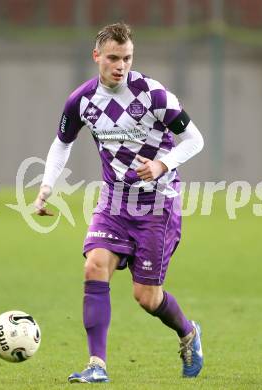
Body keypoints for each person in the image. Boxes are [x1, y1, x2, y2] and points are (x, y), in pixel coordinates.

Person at [34, 22, 204, 383]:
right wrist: (47, 187)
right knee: (94, 266)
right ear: (96, 56)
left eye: (126, 58)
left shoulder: (155, 95)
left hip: (157, 206)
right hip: (113, 203)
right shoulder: (81, 100)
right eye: (113, 58)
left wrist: (162, 164)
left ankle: (188, 333)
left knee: (147, 297)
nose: (120, 65)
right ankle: (97, 365)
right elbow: (62, 142)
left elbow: (194, 139)